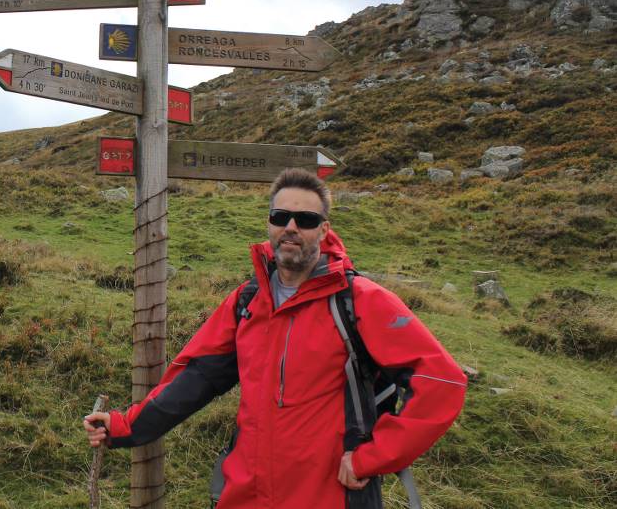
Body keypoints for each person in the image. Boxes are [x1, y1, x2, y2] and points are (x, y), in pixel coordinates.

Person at [83, 168, 466, 508]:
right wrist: (123, 426)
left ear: (324, 229)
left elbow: (443, 382)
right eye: (281, 216)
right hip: (245, 493)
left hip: (327, 495)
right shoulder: (248, 302)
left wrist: (373, 458)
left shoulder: (359, 300)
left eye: (306, 218)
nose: (291, 227)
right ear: (269, 224)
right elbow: (196, 379)